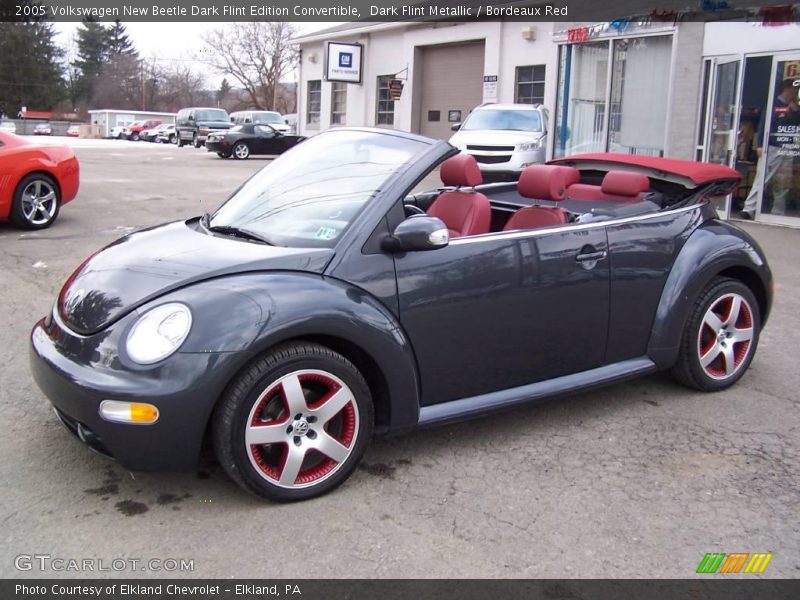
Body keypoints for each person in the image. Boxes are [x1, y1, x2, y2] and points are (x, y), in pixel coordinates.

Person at [741, 78, 800, 219]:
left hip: (787, 147)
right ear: (787, 90)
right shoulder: (773, 104)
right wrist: (760, 145)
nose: (795, 94)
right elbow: (763, 124)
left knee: (783, 181)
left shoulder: (793, 107)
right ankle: (749, 209)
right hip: (772, 147)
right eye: (794, 90)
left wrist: (795, 111)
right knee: (763, 177)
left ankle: (778, 211)